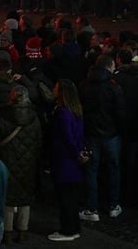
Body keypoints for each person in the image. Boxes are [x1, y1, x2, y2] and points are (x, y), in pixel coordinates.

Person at [0, 86, 41, 244]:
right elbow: (39, 140)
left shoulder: (4, 116)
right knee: (25, 197)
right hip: (28, 162)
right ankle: (23, 230)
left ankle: (8, 232)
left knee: (8, 198)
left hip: (7, 161)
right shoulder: (34, 116)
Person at [78, 54, 125, 222]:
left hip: (91, 134)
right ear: (109, 67)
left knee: (91, 169)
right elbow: (119, 112)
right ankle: (113, 205)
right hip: (111, 135)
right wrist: (120, 130)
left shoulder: (84, 85)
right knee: (113, 168)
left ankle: (92, 208)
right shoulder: (114, 87)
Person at [47, 80, 85, 242]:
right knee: (71, 197)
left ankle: (67, 230)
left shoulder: (62, 112)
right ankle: (73, 227)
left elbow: (67, 137)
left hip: (64, 160)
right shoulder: (75, 111)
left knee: (65, 198)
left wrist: (76, 153)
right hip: (72, 161)